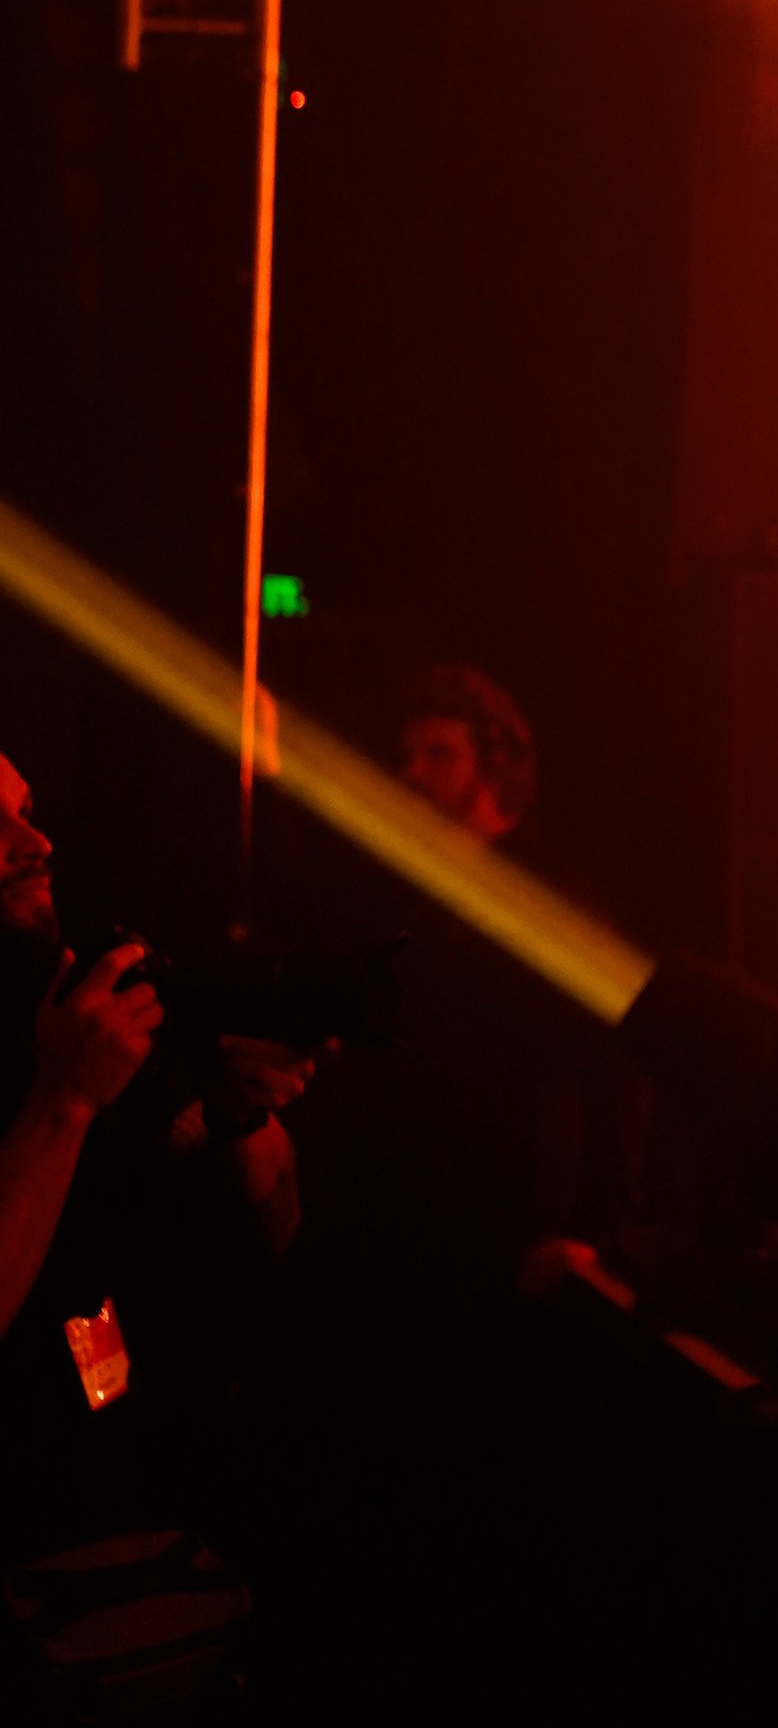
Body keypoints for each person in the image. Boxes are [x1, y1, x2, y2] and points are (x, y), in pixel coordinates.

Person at [0, 750, 318, 1567]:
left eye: (28, 808)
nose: (33, 841)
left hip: (107, 1502)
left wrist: (241, 1113)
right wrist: (64, 1100)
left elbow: (282, 1231)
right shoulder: (64, 1053)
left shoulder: (59, 998)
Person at [395, 665, 537, 852]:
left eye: (439, 754)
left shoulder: (536, 877)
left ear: (493, 766)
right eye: (406, 757)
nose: (412, 772)